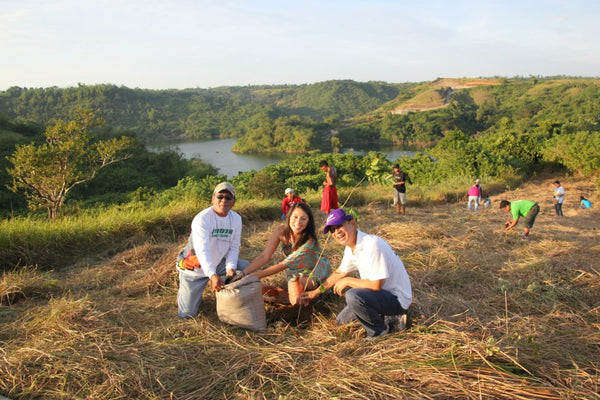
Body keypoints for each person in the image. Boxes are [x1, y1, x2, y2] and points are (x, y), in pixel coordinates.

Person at [299, 208, 412, 338]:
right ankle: (392, 319)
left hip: (396, 298)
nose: (337, 232)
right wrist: (315, 292)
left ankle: (378, 332)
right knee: (342, 321)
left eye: (340, 226)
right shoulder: (351, 248)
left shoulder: (372, 245)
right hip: (379, 296)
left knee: (353, 296)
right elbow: (339, 273)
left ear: (352, 223)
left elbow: (376, 285)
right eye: (332, 230)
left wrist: (348, 281)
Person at [176, 182, 249, 318]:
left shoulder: (236, 219)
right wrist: (212, 275)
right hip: (194, 268)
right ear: (213, 198)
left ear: (234, 201)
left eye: (228, 198)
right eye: (220, 196)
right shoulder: (202, 219)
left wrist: (230, 268)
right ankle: (185, 288)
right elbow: (202, 250)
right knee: (187, 315)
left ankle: (232, 300)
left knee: (246, 268)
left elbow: (233, 247)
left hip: (217, 264)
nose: (223, 201)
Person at [243, 202, 332, 306]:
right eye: (295, 217)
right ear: (289, 217)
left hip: (313, 272)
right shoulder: (281, 231)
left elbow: (283, 264)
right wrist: (243, 274)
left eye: (303, 219)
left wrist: (255, 275)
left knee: (303, 281)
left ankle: (318, 293)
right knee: (296, 302)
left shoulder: (310, 241)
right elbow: (264, 256)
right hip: (294, 272)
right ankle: (286, 295)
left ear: (309, 222)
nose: (298, 222)